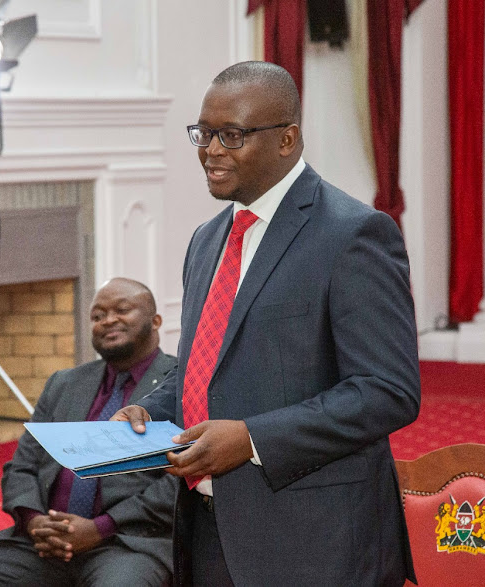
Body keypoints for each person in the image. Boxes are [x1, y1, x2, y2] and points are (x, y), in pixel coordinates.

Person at [113, 61, 420, 586]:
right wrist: (150, 410)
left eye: (231, 135)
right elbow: (200, 368)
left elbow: (388, 391)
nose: (210, 151)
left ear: (287, 139)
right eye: (204, 133)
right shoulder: (207, 240)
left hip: (315, 542)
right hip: (207, 532)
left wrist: (253, 439)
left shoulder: (355, 234)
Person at [0, 277, 178, 586]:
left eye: (122, 309)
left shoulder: (178, 384)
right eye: (97, 315)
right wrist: (35, 521)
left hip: (127, 543)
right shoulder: (64, 383)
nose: (108, 320)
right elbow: (21, 465)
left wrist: (100, 527)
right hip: (43, 542)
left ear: (156, 320)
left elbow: (177, 483)